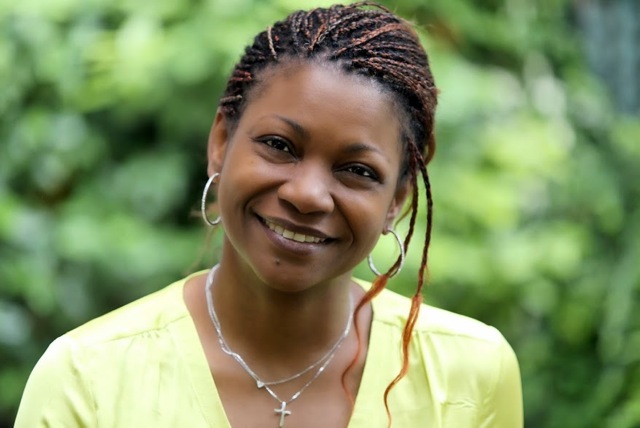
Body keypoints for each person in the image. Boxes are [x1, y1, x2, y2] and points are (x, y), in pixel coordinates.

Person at [15, 2, 523, 427]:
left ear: (397, 201)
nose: (307, 195)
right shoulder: (88, 378)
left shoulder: (470, 374)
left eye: (357, 171)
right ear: (221, 142)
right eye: (279, 145)